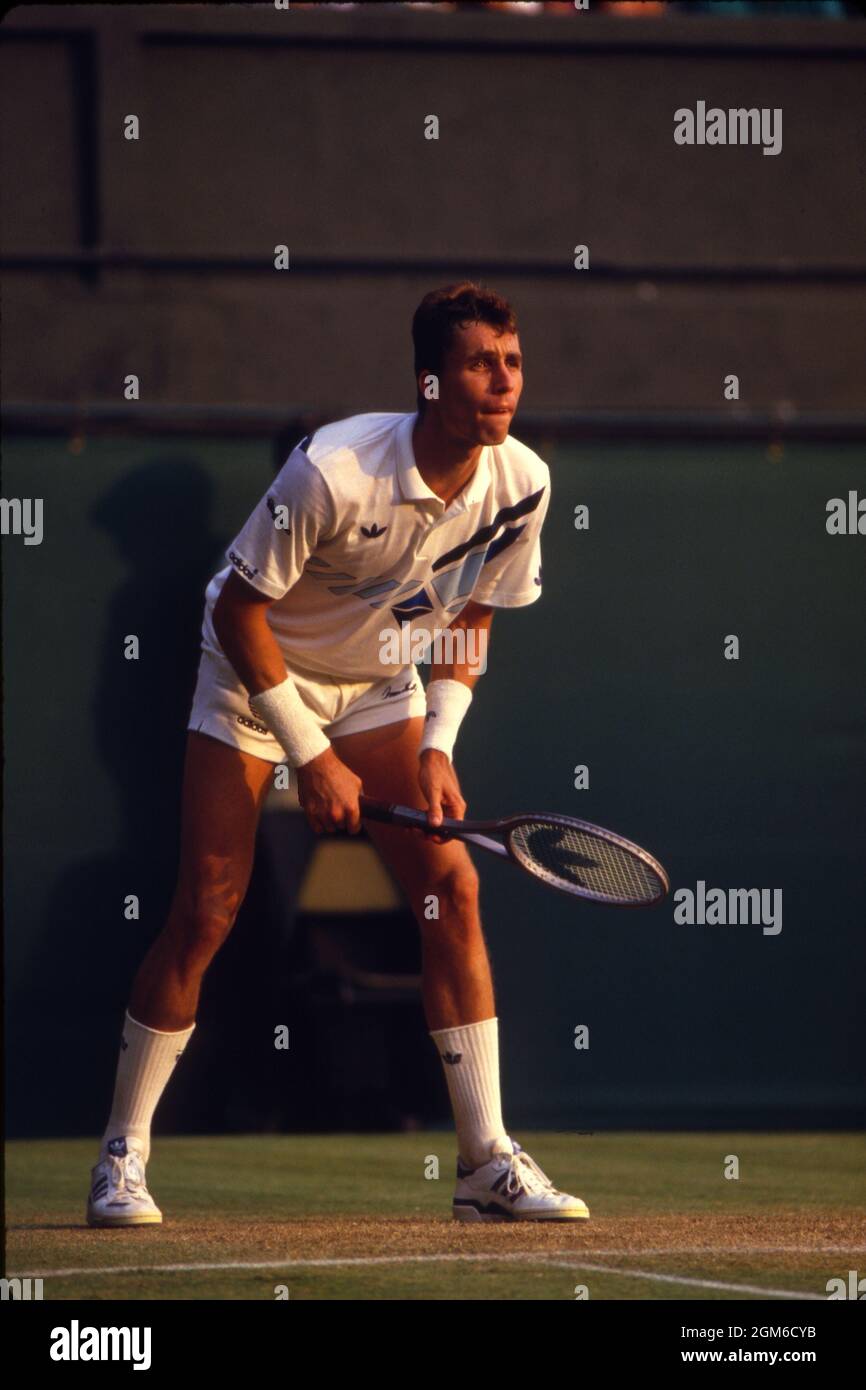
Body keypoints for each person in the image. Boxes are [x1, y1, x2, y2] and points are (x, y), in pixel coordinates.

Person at [86, 281, 590, 1226]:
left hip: (380, 686)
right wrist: (309, 756)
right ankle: (122, 1155)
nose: (504, 381)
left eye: (513, 362)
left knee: (455, 887)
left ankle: (485, 1164)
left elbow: (474, 611)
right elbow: (236, 610)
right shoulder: (332, 469)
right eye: (481, 363)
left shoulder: (523, 480)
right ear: (430, 383)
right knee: (206, 911)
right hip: (254, 676)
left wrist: (439, 741)